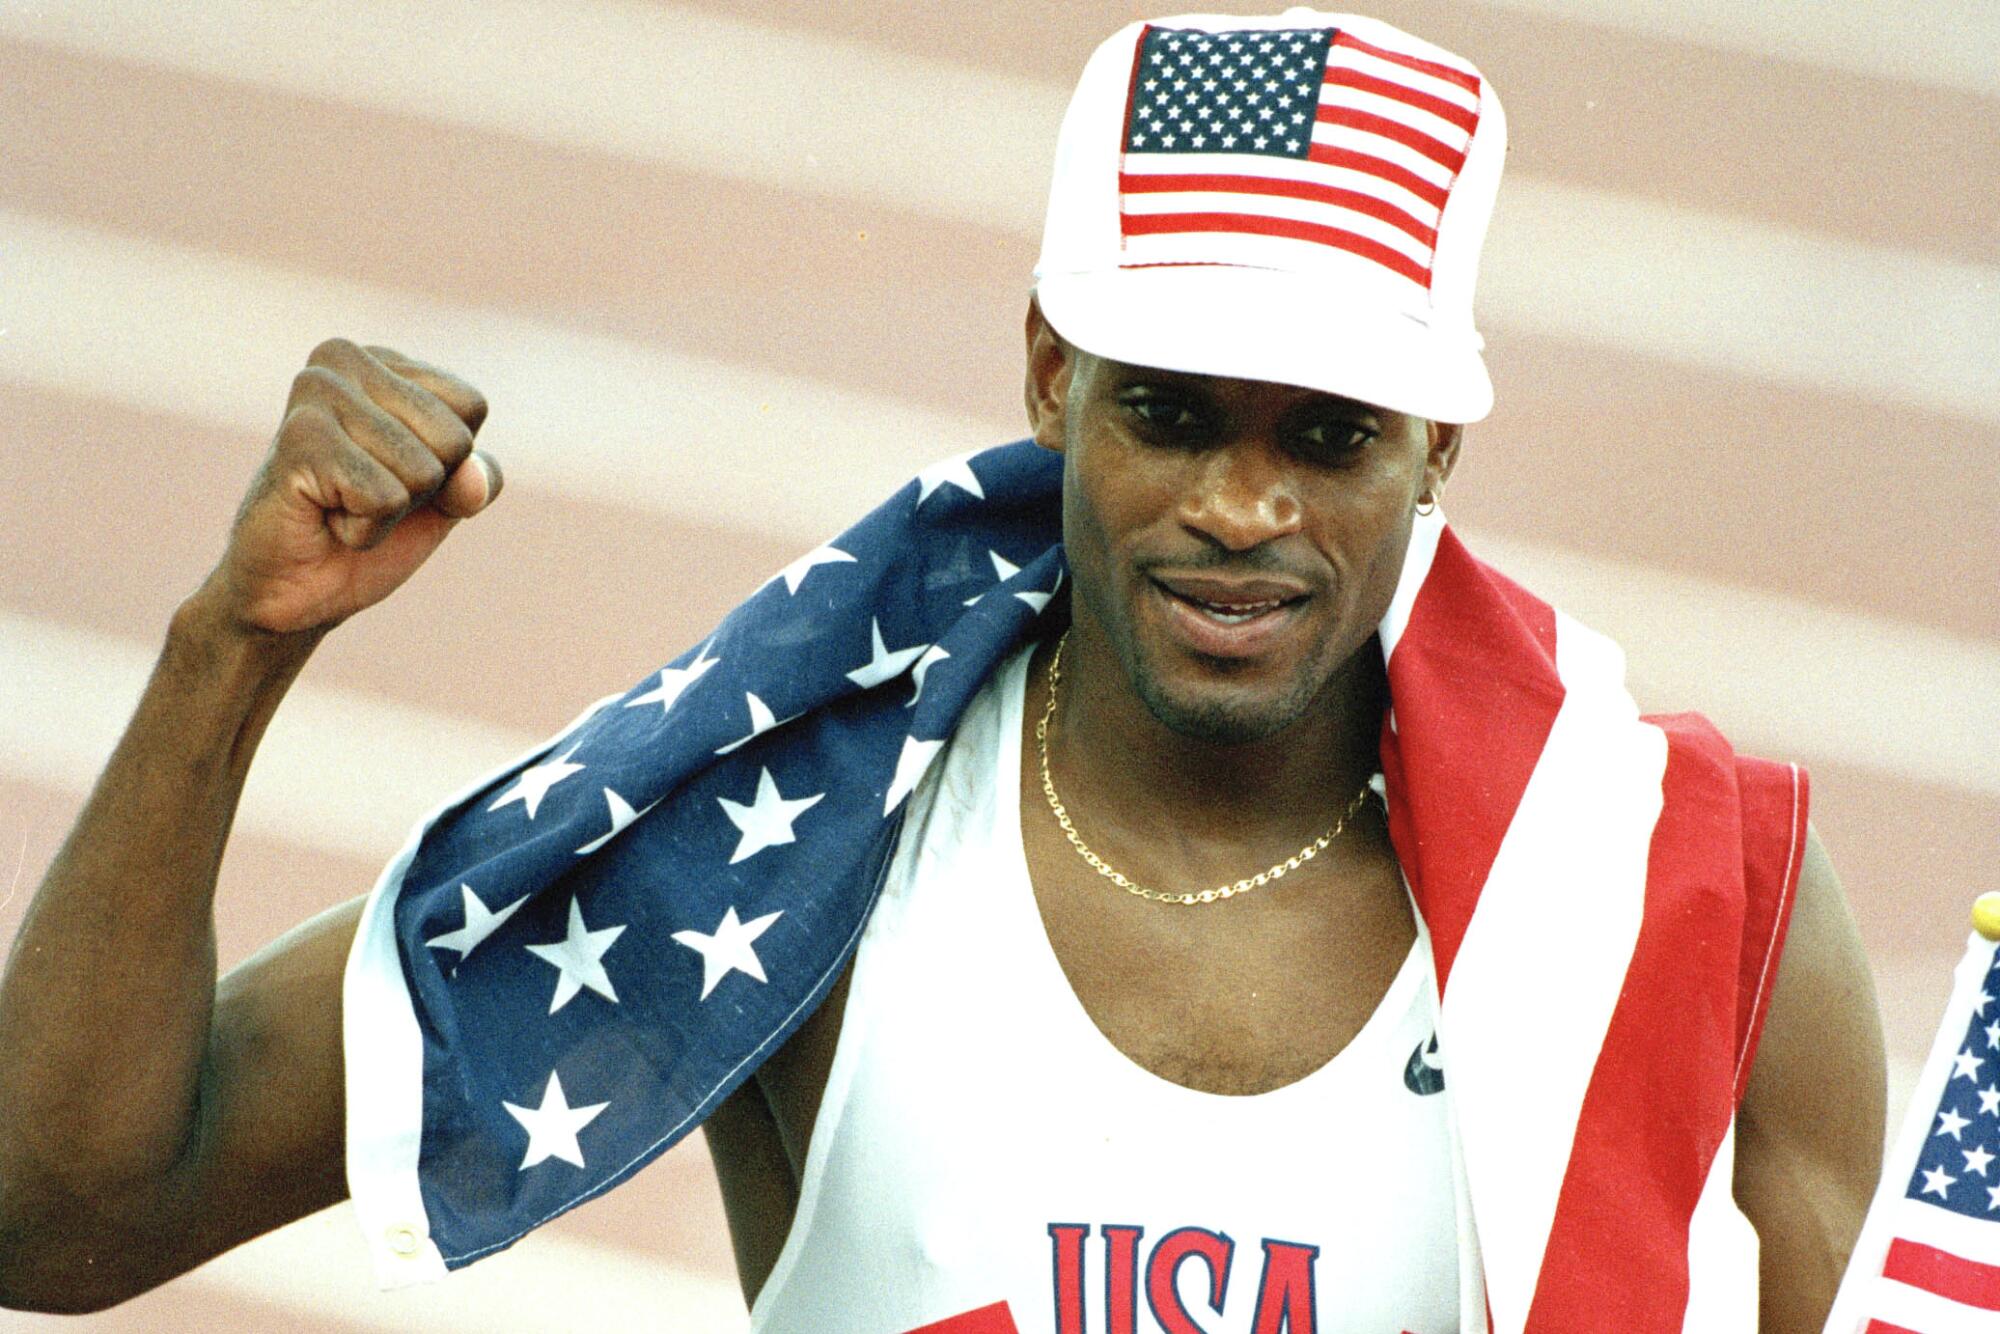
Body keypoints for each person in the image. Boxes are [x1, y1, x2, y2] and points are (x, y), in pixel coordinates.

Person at [0, 10, 1885, 1333]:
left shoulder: (1686, 900)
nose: (1243, 505)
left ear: (1437, 448)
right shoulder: (795, 824)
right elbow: (67, 1206)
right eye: (1169, 413)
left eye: (1328, 436)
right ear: (1054, 371)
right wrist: (228, 648)